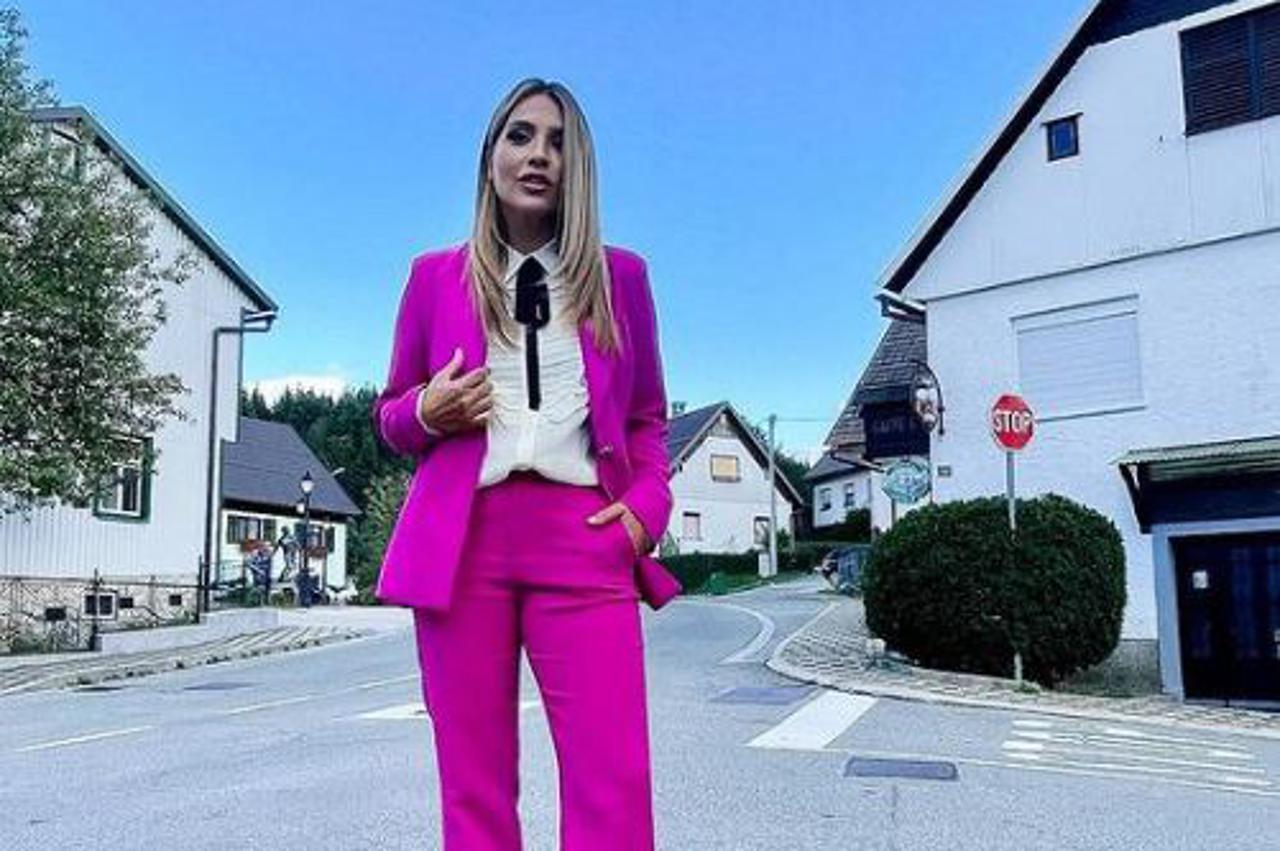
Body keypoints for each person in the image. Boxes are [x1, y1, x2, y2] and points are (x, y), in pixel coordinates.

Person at [370, 78, 681, 851]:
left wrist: (646, 511)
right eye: (520, 136)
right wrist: (427, 410)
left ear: (579, 169)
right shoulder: (434, 277)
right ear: (490, 157)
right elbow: (390, 415)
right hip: (462, 544)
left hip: (587, 535)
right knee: (473, 787)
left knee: (614, 783)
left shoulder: (621, 278)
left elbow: (647, 418)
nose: (538, 155)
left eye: (558, 142)